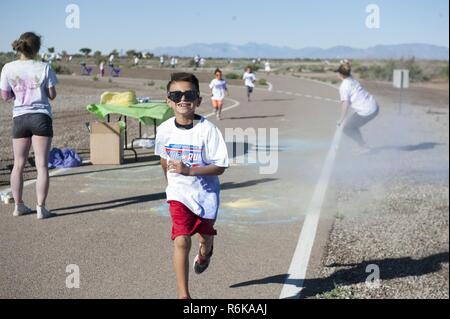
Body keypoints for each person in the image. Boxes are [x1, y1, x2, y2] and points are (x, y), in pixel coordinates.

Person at [155, 73, 229, 299]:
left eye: (189, 94)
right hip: (178, 194)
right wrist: (171, 185)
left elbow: (220, 166)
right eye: (177, 95)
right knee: (181, 239)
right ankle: (184, 296)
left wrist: (189, 171)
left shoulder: (208, 130)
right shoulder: (164, 129)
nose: (183, 99)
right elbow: (163, 159)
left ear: (198, 100)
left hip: (205, 195)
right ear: (168, 100)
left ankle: (206, 253)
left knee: (204, 238)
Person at [0, 32, 58, 219]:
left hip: (20, 118)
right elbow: (52, 94)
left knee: (18, 165)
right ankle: (41, 208)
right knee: (42, 165)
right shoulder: (44, 67)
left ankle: (18, 206)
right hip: (40, 116)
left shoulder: (8, 68)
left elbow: (5, 96)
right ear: (37, 48)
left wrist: (19, 92)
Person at [336, 60, 380, 154]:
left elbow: (345, 104)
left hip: (367, 111)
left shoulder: (344, 87)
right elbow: (347, 71)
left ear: (340, 74)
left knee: (347, 128)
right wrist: (346, 64)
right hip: (374, 105)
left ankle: (364, 147)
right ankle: (362, 146)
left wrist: (341, 119)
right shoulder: (352, 79)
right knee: (352, 125)